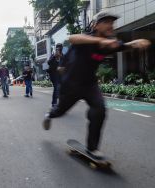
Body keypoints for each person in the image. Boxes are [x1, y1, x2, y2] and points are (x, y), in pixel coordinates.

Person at [42, 10, 151, 159]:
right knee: (60, 111)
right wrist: (99, 41)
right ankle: (50, 114)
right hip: (71, 84)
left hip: (89, 84)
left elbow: (122, 46)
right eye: (106, 22)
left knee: (99, 109)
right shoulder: (87, 39)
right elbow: (73, 38)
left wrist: (135, 43)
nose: (110, 25)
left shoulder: (110, 42)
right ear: (96, 25)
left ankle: (92, 148)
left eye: (112, 22)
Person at [47, 43, 64, 109]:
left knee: (61, 89)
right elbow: (48, 62)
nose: (59, 49)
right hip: (53, 74)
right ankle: (54, 103)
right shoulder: (53, 55)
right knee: (56, 87)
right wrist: (54, 56)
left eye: (60, 48)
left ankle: (60, 103)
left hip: (61, 74)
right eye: (57, 48)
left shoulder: (63, 56)